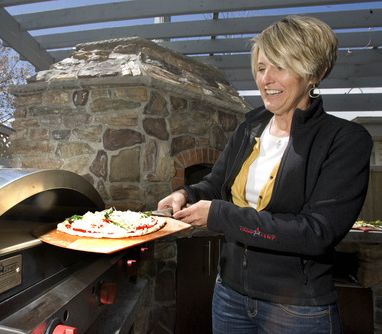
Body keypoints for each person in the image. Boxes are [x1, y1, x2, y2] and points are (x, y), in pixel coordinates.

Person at [157, 15, 372, 334]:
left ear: (315, 73)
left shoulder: (345, 140)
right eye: (260, 68)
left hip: (297, 309)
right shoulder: (249, 128)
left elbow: (316, 233)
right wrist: (186, 194)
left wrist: (220, 216)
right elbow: (216, 185)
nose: (265, 80)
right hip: (228, 295)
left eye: (280, 67)